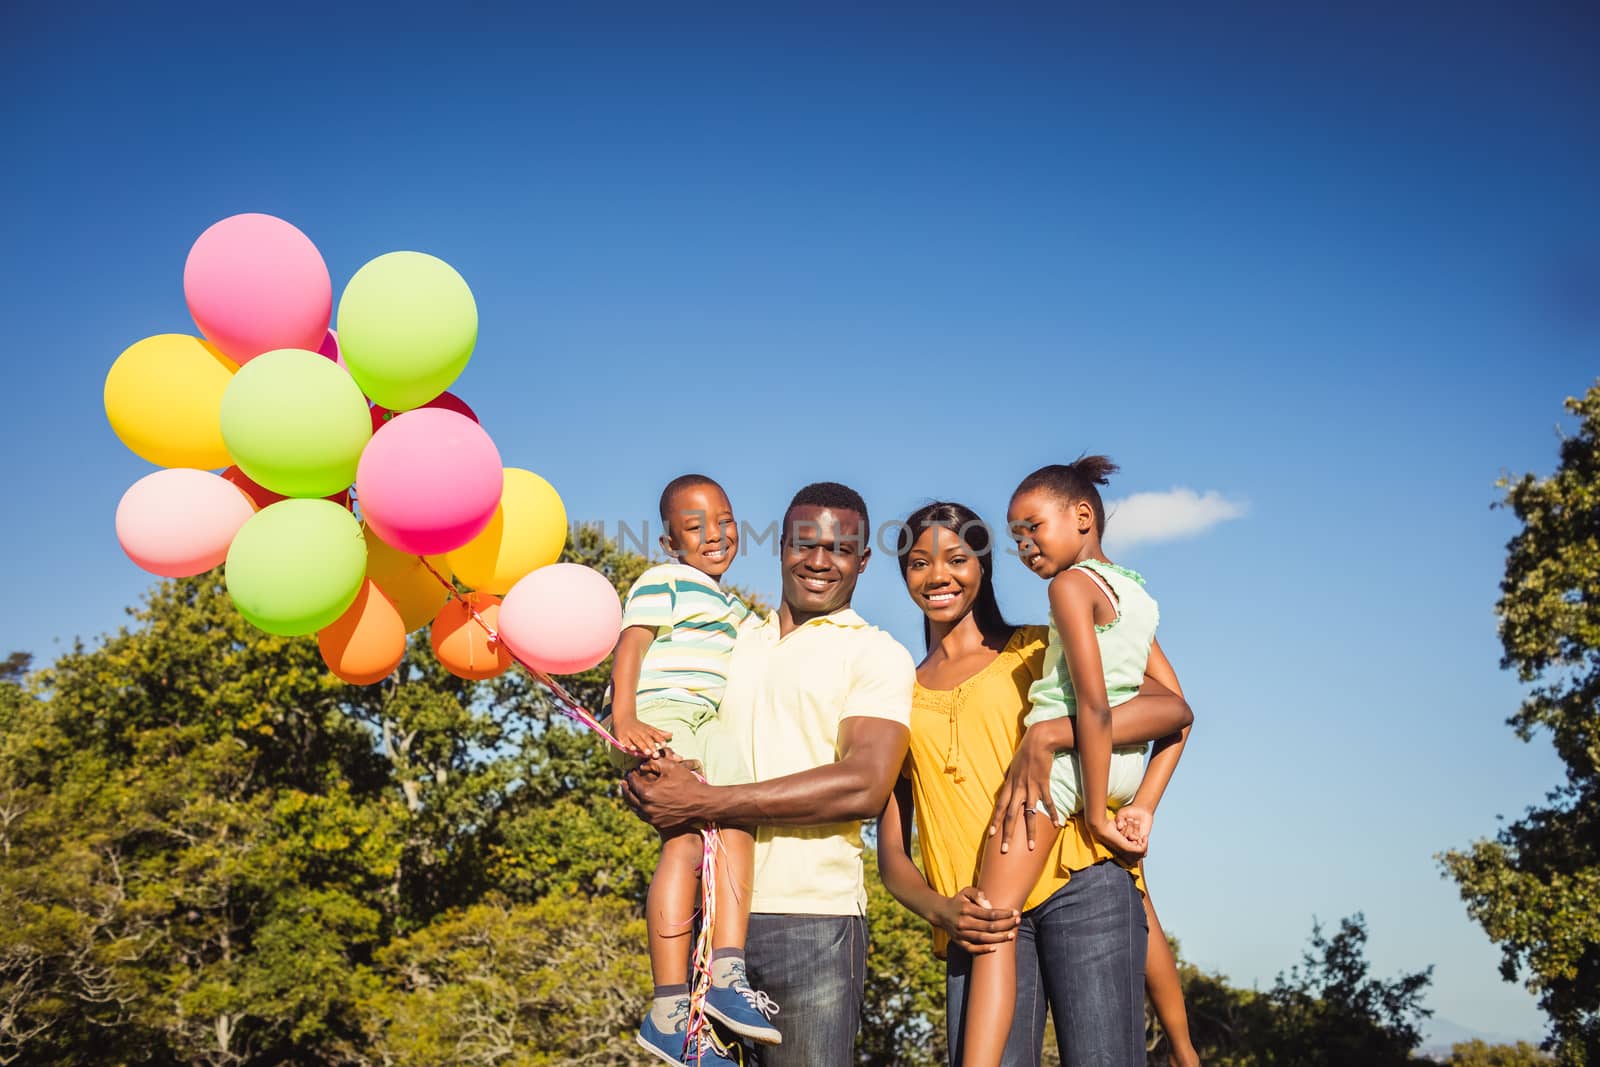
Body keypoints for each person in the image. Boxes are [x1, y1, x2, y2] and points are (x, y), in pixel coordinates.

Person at [877, 501, 1200, 1067]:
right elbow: (892, 854)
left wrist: (1050, 732)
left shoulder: (1039, 647)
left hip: (1083, 885)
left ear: (983, 566)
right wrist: (940, 911)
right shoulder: (893, 693)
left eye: (957, 558)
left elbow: (1170, 707)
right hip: (980, 919)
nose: (938, 576)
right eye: (918, 563)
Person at [624, 482, 914, 1066]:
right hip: (707, 919)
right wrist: (643, 776)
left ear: (862, 560)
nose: (818, 560)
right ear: (780, 546)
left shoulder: (877, 653)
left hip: (813, 921)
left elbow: (864, 783)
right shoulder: (731, 638)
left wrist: (706, 803)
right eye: (804, 543)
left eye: (839, 549)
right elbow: (670, 714)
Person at [963, 457, 1195, 1067]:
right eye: (1015, 538)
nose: (1024, 546)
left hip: (1063, 776)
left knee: (992, 926)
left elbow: (1091, 706)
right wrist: (1141, 802)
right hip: (1119, 767)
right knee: (1138, 906)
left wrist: (1094, 812)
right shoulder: (1136, 595)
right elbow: (1181, 713)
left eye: (1033, 528)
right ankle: (1186, 1050)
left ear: (1082, 516)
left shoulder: (1068, 587)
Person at [608, 474, 780, 1067]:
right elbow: (631, 645)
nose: (716, 533)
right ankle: (668, 1010)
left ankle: (727, 972)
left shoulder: (731, 605)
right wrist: (623, 715)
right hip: (659, 718)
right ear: (668, 542)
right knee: (684, 845)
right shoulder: (663, 581)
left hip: (704, 723)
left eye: (726, 519)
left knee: (736, 822)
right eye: (695, 525)